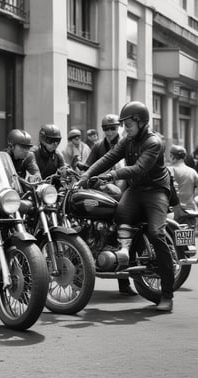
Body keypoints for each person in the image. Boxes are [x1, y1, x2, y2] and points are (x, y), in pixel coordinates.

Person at [75, 101, 175, 312]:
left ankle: (167, 294)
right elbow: (109, 157)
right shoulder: (128, 140)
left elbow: (138, 168)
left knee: (156, 233)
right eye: (123, 124)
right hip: (136, 190)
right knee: (118, 215)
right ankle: (123, 253)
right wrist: (86, 175)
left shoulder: (153, 142)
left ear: (140, 121)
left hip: (156, 191)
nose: (124, 127)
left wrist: (111, 175)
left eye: (128, 123)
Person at [86, 114, 136, 296]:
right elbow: (88, 165)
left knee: (119, 234)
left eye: (112, 128)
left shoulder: (127, 143)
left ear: (119, 127)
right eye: (106, 129)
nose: (109, 132)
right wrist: (83, 172)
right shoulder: (99, 146)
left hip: (124, 192)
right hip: (104, 192)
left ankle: (124, 283)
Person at [169, 144, 198, 228]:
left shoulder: (168, 171)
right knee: (188, 237)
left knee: (171, 238)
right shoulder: (192, 172)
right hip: (190, 212)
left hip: (173, 213)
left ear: (172, 156)